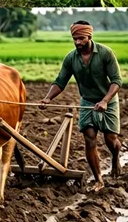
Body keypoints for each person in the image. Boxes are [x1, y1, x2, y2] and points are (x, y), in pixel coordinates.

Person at [40, 21, 123, 191]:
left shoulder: (105, 53)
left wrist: (105, 101)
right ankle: (98, 179)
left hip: (108, 100)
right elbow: (60, 81)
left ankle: (115, 158)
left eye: (81, 38)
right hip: (87, 102)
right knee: (89, 138)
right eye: (74, 39)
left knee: (110, 140)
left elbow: (116, 81)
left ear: (89, 37)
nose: (77, 42)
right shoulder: (71, 58)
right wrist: (48, 98)